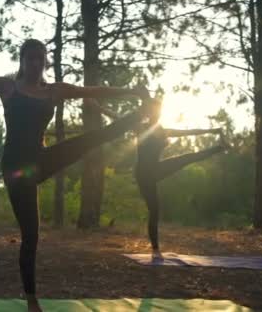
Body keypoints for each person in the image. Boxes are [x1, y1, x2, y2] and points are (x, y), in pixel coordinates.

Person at [0, 38, 154, 312]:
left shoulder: (55, 91)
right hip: (16, 170)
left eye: (40, 59)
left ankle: (139, 117)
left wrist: (131, 91)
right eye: (30, 58)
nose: (35, 64)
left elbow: (93, 89)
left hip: (40, 161)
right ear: (22, 60)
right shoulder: (8, 87)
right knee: (31, 236)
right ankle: (31, 300)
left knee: (90, 140)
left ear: (45, 62)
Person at [90, 98, 228, 260]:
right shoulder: (141, 128)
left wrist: (212, 131)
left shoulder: (164, 131)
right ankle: (155, 249)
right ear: (150, 113)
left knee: (187, 158)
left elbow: (190, 132)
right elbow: (119, 118)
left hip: (156, 169)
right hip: (143, 174)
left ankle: (221, 147)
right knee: (154, 210)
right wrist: (100, 108)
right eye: (154, 112)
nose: (156, 115)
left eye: (158, 112)